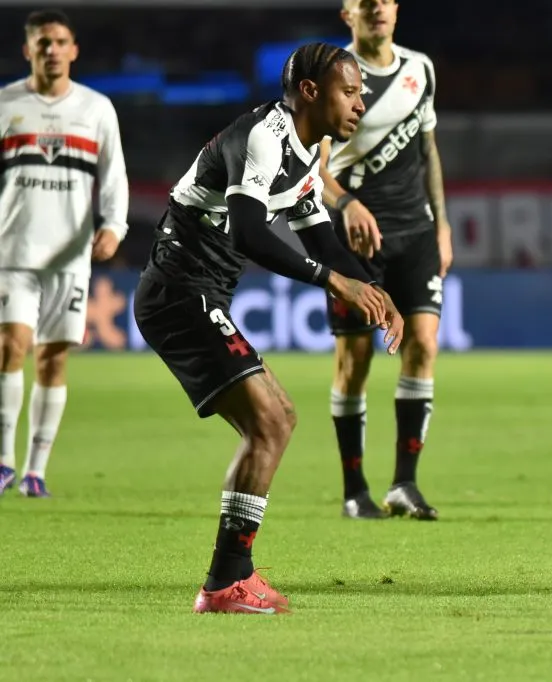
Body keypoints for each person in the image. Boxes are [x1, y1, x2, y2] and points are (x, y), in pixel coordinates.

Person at [133, 43, 404, 615]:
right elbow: (252, 233)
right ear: (310, 92)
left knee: (276, 421)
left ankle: (232, 578)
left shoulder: (309, 152)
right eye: (349, 91)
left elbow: (323, 238)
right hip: (178, 290)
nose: (361, 102)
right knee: (271, 421)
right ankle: (225, 583)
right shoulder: (263, 135)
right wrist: (335, 283)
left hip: (200, 291)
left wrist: (378, 294)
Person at [318, 0, 452, 521]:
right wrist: (346, 204)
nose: (377, 8)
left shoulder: (420, 69)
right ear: (346, 13)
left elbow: (429, 149)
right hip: (356, 242)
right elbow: (313, 168)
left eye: (386, 1)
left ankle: (404, 484)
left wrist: (442, 224)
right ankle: (355, 491)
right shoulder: (332, 78)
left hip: (415, 232)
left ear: (396, 10)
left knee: (422, 343)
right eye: (365, 1)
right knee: (355, 363)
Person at [0, 9, 129, 498]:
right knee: (10, 346)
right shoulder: (6, 103)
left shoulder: (96, 109)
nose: (51, 49)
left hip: (70, 257)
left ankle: (35, 469)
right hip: (12, 249)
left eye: (59, 41)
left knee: (52, 360)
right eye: (42, 42)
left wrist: (113, 226)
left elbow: (113, 176)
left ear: (73, 50)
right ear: (27, 50)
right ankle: (3, 460)